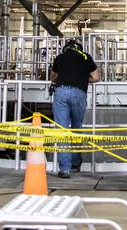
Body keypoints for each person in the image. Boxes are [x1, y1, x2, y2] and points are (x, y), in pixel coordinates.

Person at [47, 37, 99, 178]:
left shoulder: (60, 57)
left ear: (66, 49)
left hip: (61, 92)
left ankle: (64, 169)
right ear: (79, 48)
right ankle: (76, 162)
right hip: (79, 93)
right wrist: (83, 77)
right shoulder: (86, 57)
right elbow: (96, 77)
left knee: (62, 130)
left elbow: (52, 77)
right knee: (76, 127)